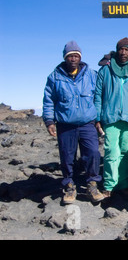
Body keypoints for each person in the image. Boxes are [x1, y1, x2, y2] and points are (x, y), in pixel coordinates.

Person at [42, 41, 104, 204]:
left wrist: (99, 119)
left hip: (87, 124)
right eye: (70, 56)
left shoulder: (91, 74)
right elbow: (48, 100)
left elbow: (98, 97)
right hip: (65, 125)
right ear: (65, 57)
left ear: (80, 57)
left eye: (76, 56)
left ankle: (92, 184)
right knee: (67, 157)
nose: (73, 58)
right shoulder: (55, 77)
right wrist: (49, 121)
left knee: (92, 153)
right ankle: (69, 185)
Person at [94, 37, 128, 197]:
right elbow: (98, 96)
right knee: (110, 151)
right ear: (116, 51)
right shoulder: (106, 70)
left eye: (126, 49)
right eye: (121, 49)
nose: (123, 52)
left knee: (125, 151)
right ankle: (109, 185)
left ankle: (123, 183)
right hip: (110, 117)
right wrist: (97, 119)